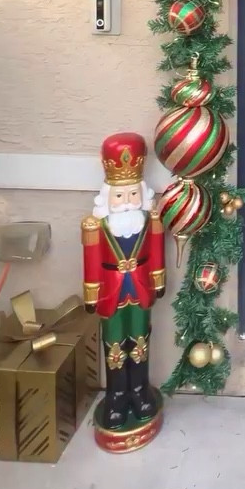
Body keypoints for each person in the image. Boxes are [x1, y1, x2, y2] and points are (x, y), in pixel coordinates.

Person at [81, 132, 165, 432]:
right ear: (108, 198)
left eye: (132, 195)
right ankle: (116, 394)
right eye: (120, 196)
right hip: (111, 293)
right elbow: (92, 263)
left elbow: (155, 253)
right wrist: (91, 293)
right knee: (114, 343)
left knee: (140, 341)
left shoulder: (149, 221)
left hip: (140, 289)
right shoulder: (97, 227)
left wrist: (158, 279)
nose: (127, 202)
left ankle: (140, 390)